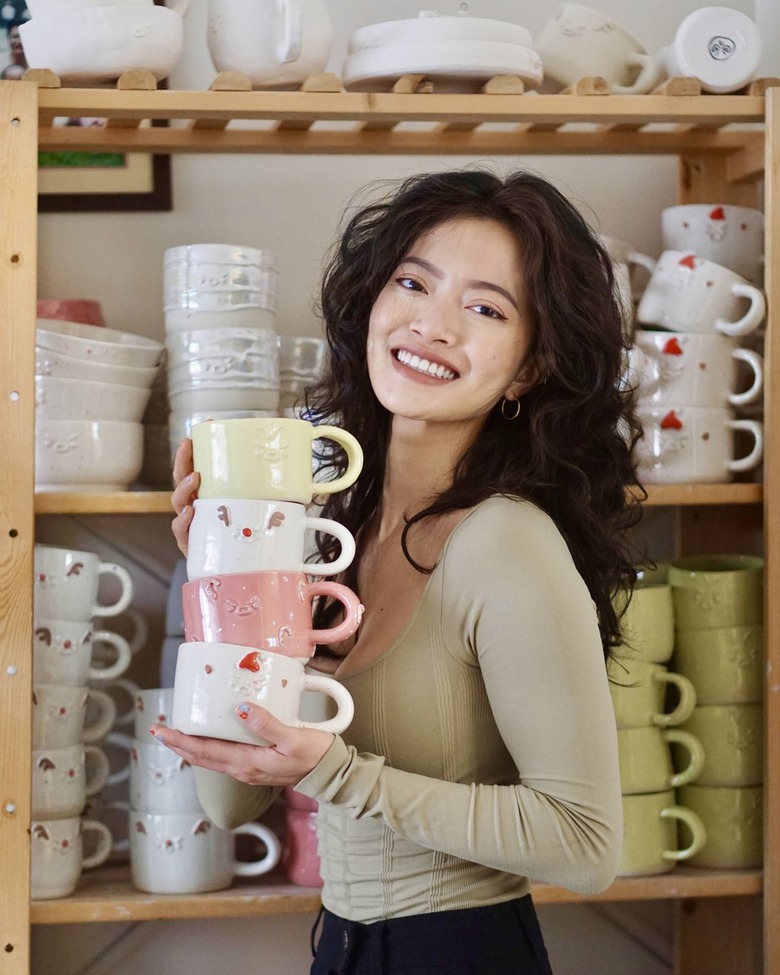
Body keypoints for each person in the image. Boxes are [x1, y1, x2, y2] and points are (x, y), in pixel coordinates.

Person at [158, 169, 644, 975]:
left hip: (460, 953)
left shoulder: (504, 542)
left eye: (485, 308)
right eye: (413, 283)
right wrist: (234, 580)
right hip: (344, 950)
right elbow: (225, 799)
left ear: (528, 368)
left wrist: (336, 773)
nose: (432, 324)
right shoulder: (331, 527)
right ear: (373, 303)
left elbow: (585, 843)